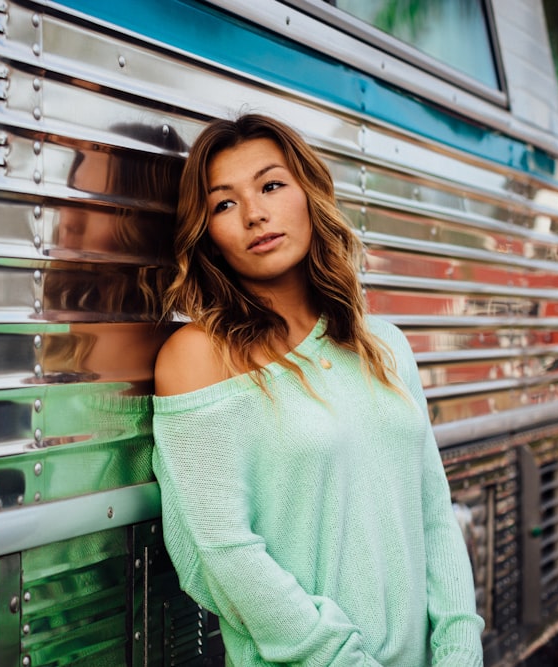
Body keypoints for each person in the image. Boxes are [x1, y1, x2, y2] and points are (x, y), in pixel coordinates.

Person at [151, 114, 485, 666]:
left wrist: (459, 649)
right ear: (208, 233)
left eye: (271, 185)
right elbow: (223, 552)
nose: (255, 214)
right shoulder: (198, 357)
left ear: (309, 194)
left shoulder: (384, 344)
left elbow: (432, 514)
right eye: (225, 204)